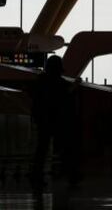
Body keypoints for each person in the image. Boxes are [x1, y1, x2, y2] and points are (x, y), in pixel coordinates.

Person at [31, 55, 80, 187]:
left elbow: (36, 103)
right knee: (68, 149)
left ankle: (36, 178)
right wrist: (75, 86)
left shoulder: (41, 82)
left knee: (41, 150)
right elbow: (65, 96)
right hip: (59, 121)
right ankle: (72, 177)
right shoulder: (60, 83)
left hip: (44, 121)